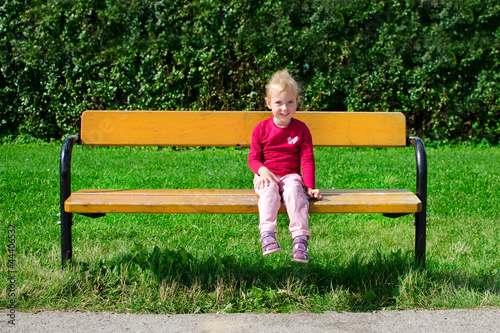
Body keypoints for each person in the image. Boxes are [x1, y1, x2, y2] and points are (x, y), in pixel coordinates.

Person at [248, 69, 322, 264]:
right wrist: (261, 169)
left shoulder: (301, 129)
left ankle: (299, 240)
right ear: (268, 103)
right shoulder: (261, 129)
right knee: (269, 189)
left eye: (290, 102)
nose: (284, 107)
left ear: (297, 102)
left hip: (290, 175)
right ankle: (267, 235)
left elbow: (307, 159)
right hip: (267, 174)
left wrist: (310, 186)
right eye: (278, 102)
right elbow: (253, 159)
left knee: (295, 191)